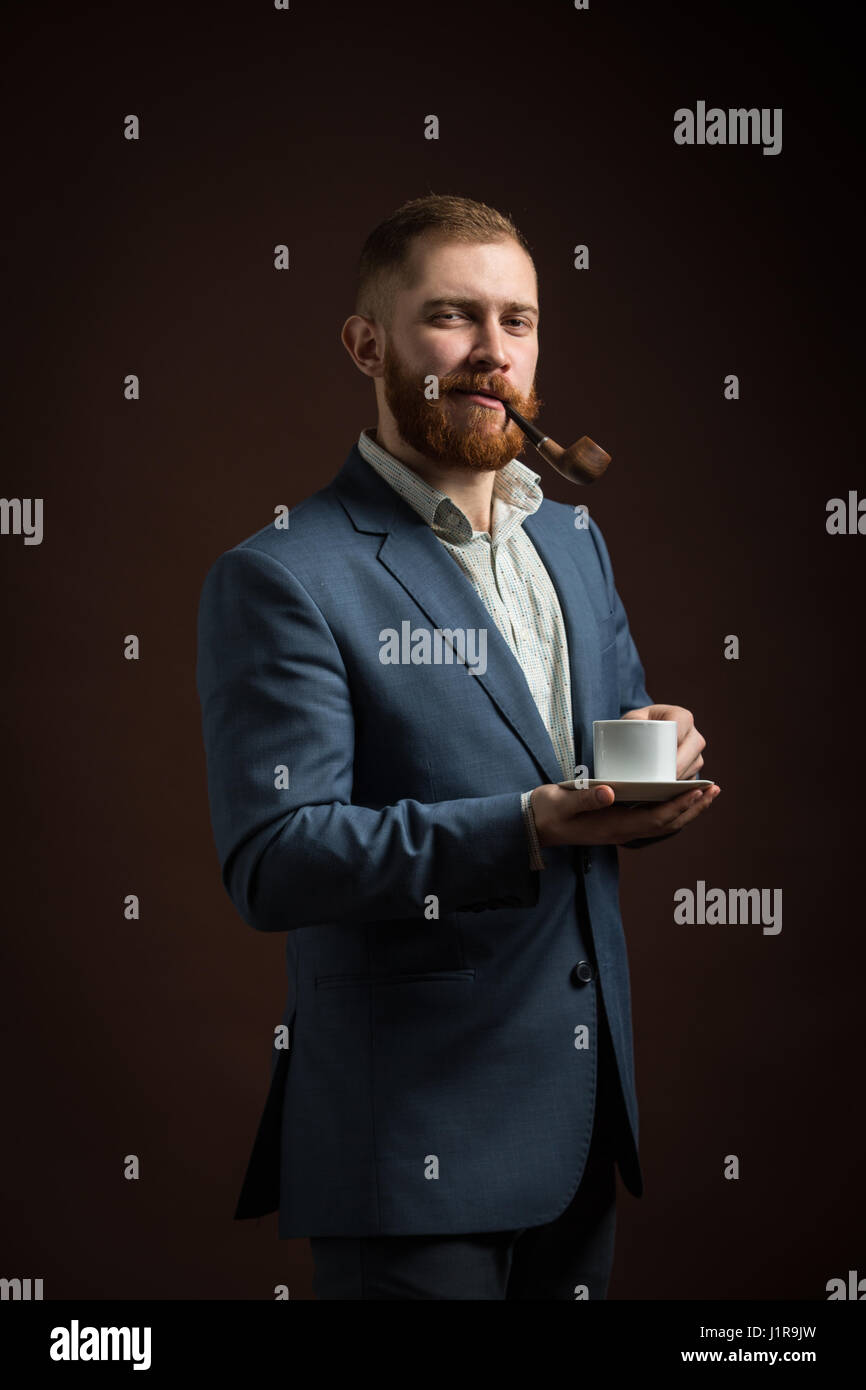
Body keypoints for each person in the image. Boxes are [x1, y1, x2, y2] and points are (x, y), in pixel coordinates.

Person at [195, 194, 720, 1300]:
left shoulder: (572, 540)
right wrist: (526, 826)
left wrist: (653, 758)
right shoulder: (283, 576)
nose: (491, 353)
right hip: (411, 1149)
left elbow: (586, 773)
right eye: (452, 316)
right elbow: (275, 859)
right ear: (366, 343)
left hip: (579, 1131)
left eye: (517, 321)